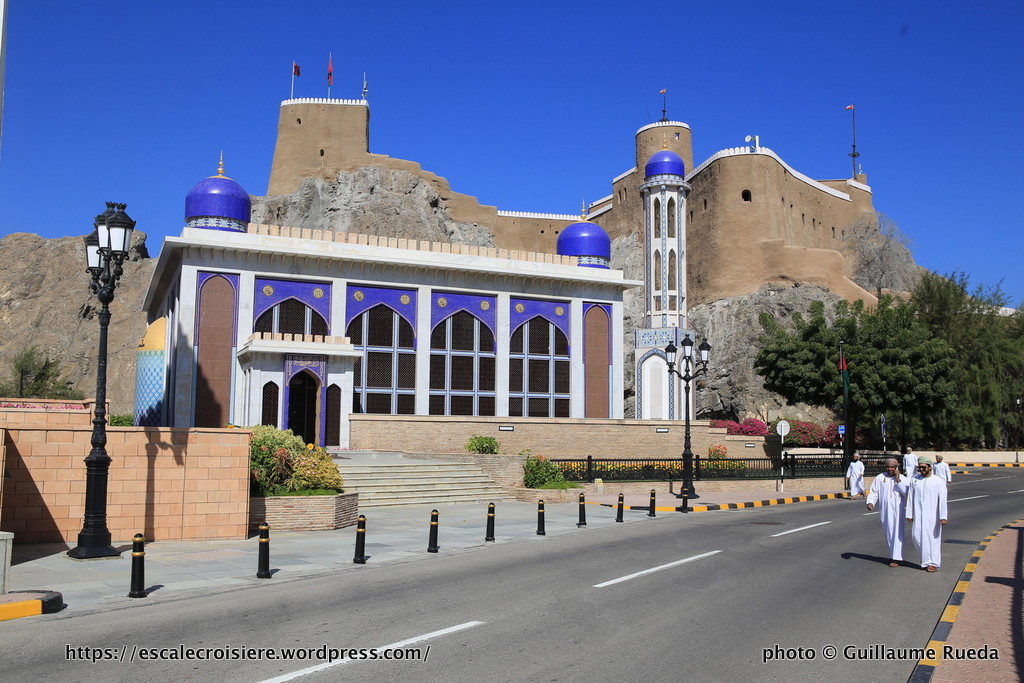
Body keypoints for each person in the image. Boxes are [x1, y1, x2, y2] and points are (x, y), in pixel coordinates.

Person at [906, 456, 948, 572]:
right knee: (916, 536)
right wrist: (909, 513)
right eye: (919, 467)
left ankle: (933, 563)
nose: (921, 469)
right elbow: (910, 497)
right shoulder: (915, 479)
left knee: (933, 539)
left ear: (930, 467)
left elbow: (943, 500)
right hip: (918, 514)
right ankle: (925, 560)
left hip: (933, 515)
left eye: (923, 467)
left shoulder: (938, 481)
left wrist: (943, 516)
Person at [866, 458, 909, 567]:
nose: (890, 469)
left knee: (897, 533)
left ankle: (896, 558)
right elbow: (874, 491)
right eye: (888, 467)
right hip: (885, 510)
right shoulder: (880, 477)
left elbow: (907, 494)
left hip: (898, 511)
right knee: (888, 532)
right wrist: (871, 502)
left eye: (892, 467)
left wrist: (898, 481)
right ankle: (892, 555)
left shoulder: (903, 479)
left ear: (896, 468)